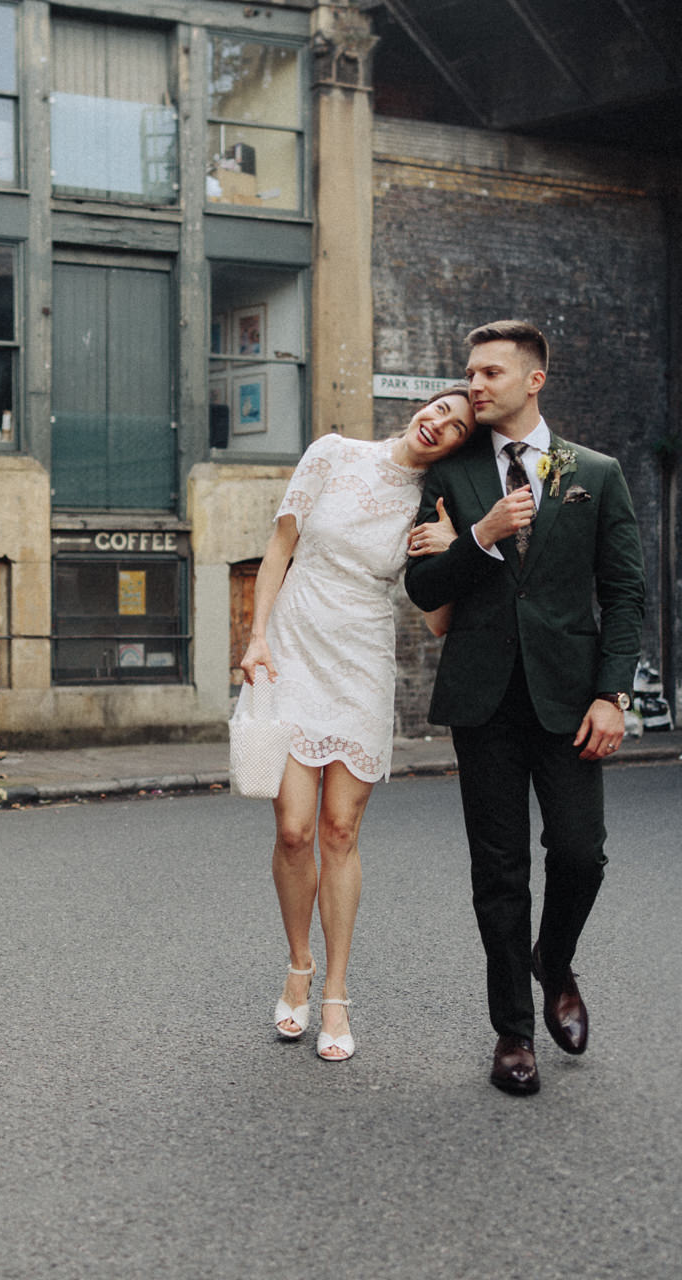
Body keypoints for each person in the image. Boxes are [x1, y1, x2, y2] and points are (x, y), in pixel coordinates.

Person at [404, 319, 645, 1096]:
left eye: (491, 374)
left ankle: (556, 962)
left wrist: (613, 694)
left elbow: (624, 593)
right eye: (470, 372)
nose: (475, 385)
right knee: (498, 873)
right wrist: (478, 535)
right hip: (483, 700)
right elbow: (423, 588)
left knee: (581, 854)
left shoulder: (595, 472)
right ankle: (512, 1034)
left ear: (534, 380)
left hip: (571, 699)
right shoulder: (453, 473)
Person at [239, 385, 475, 1062]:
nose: (439, 424)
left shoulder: (435, 501)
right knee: (293, 829)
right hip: (294, 642)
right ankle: (298, 965)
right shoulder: (334, 453)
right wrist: (256, 638)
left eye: (456, 426)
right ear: (419, 409)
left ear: (460, 445)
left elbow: (436, 618)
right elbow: (280, 546)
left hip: (362, 657)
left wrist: (455, 546)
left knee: (340, 830)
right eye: (438, 409)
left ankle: (336, 995)